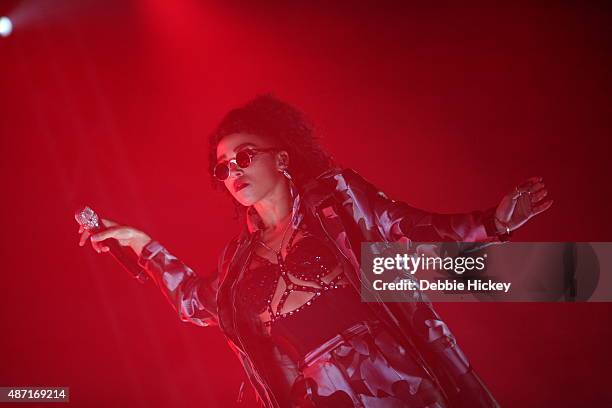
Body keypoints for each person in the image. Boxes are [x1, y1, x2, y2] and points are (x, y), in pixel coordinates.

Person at [78, 94, 552, 407]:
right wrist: (142, 245)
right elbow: (198, 304)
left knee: (567, 274)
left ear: (282, 159)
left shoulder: (337, 201)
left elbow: (413, 229)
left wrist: (496, 221)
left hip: (399, 383)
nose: (233, 172)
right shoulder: (239, 263)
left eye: (244, 156)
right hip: (321, 398)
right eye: (222, 168)